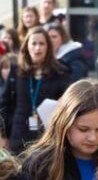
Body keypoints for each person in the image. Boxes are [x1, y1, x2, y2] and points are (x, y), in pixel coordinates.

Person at [8, 27, 70, 155]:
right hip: (19, 135)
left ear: (48, 47)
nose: (38, 48)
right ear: (26, 47)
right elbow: (7, 101)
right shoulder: (17, 71)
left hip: (47, 135)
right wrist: (3, 135)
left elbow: (67, 101)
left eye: (42, 44)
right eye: (34, 43)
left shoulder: (60, 72)